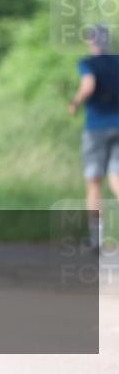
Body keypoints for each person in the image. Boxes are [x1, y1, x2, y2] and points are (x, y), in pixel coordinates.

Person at [68, 24, 119, 253]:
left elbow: (88, 86)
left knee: (94, 182)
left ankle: (96, 239)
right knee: (117, 179)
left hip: (97, 127)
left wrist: (75, 103)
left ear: (92, 41)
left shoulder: (88, 63)